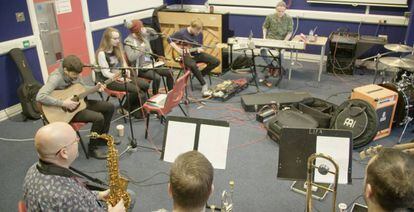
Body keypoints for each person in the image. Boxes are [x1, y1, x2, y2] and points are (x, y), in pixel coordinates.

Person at [23, 122, 127, 211]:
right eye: (75, 140)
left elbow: (77, 193)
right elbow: (70, 198)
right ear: (64, 153)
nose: (78, 140)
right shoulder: (65, 196)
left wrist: (98, 195)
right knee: (131, 196)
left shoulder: (33, 168)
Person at [36, 55, 114, 159]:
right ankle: (92, 148)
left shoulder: (76, 73)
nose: (76, 77)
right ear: (65, 70)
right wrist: (63, 103)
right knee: (98, 118)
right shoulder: (55, 78)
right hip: (65, 111)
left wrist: (96, 88)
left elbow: (81, 88)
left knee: (109, 107)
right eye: (73, 74)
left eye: (78, 74)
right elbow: (40, 96)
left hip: (79, 104)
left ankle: (101, 138)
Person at [95, 27, 147, 119]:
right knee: (137, 90)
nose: (118, 41)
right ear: (107, 39)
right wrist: (120, 77)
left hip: (118, 75)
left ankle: (134, 107)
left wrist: (126, 71)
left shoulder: (117, 48)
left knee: (144, 85)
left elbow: (124, 64)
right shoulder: (101, 53)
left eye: (118, 38)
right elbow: (105, 73)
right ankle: (125, 108)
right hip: (107, 80)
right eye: (115, 39)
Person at [168, 19, 220, 97]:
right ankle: (204, 84)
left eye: (199, 31)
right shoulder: (182, 33)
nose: (198, 33)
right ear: (191, 27)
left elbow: (199, 46)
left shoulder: (200, 34)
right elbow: (168, 39)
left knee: (216, 61)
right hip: (185, 55)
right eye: (197, 31)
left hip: (196, 53)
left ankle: (200, 75)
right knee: (192, 65)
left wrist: (199, 49)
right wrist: (178, 49)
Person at [124, 19, 174, 95]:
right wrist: (141, 48)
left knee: (169, 72)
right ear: (137, 29)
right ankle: (155, 95)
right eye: (142, 27)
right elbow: (131, 58)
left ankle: (171, 93)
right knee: (157, 78)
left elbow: (156, 36)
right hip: (141, 68)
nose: (143, 28)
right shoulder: (129, 41)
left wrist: (147, 29)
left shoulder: (144, 36)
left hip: (151, 64)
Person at [261, 1, 293, 86]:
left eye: (282, 11)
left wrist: (284, 41)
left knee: (281, 53)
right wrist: (264, 37)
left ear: (285, 10)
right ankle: (271, 65)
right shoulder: (270, 17)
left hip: (282, 40)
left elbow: (290, 32)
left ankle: (279, 68)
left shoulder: (289, 18)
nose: (280, 13)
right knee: (262, 51)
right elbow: (264, 27)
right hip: (270, 39)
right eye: (279, 11)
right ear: (276, 9)